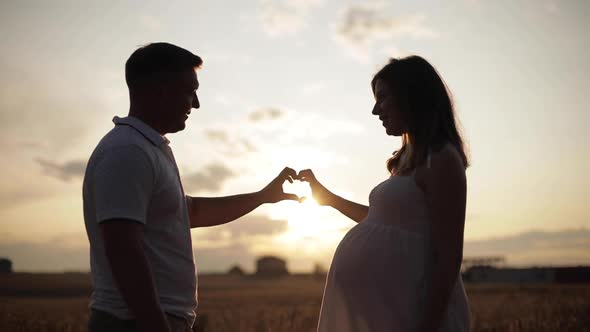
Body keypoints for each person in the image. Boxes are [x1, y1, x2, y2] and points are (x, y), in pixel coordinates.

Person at [82, 42, 300, 332]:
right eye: (190, 91)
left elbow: (190, 212)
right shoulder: (127, 152)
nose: (196, 103)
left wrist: (262, 197)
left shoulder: (149, 149)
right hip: (133, 323)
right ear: (160, 89)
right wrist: (155, 324)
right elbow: (123, 247)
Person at [299, 56, 471, 332]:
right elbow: (381, 223)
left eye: (383, 97)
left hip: (412, 312)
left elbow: (449, 256)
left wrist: (427, 325)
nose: (375, 110)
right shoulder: (407, 161)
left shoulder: (442, 159)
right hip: (386, 312)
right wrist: (327, 198)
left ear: (411, 96)